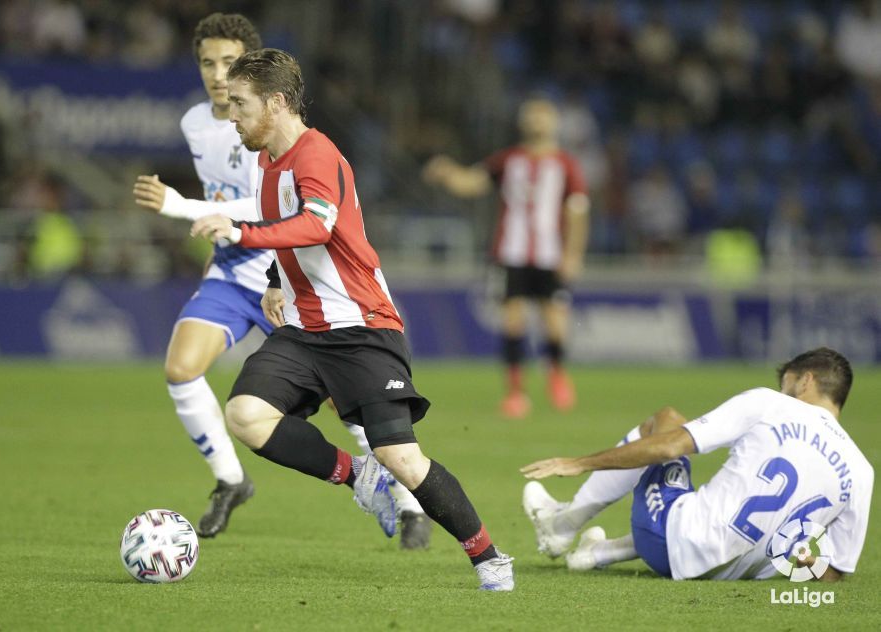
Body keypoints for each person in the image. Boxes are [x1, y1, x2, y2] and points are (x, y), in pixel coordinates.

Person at [189, 48, 514, 590]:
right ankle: (359, 475)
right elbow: (292, 232)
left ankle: (490, 558)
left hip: (362, 328)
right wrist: (274, 280)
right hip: (304, 332)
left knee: (402, 458)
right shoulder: (267, 163)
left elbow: (316, 226)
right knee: (245, 415)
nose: (233, 116)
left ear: (276, 102)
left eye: (241, 103)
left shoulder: (317, 155)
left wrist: (240, 232)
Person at [132, 14, 431, 549]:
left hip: (287, 275)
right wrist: (214, 228)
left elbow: (269, 206)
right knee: (180, 367)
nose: (217, 74)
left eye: (228, 63)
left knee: (347, 400)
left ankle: (409, 502)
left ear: (247, 69)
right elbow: (230, 199)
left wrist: (183, 207)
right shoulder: (196, 123)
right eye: (207, 62)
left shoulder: (266, 128)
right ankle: (231, 480)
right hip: (232, 270)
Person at [520, 347, 872, 581]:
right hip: (738, 575)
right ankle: (601, 552)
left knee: (668, 419)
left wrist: (580, 463)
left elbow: (670, 446)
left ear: (806, 380)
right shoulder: (860, 471)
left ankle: (561, 526)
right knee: (711, 502)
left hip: (669, 543)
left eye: (786, 385)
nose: (782, 393)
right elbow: (833, 572)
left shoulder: (769, 403)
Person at [423, 97, 591, 419]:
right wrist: (448, 173)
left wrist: (573, 254)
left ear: (553, 122)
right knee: (513, 321)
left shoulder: (565, 165)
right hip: (510, 253)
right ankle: (515, 392)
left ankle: (556, 374)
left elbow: (578, 212)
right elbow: (473, 183)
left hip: (550, 255)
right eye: (531, 115)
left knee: (555, 322)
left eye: (542, 115)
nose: (536, 121)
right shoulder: (508, 160)